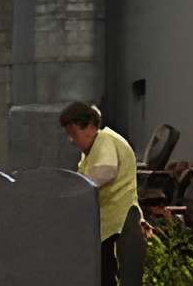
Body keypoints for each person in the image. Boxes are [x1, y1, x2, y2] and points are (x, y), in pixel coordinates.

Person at [59, 100, 140, 283]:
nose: (71, 139)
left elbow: (105, 172)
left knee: (112, 276)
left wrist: (74, 190)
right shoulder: (90, 151)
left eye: (73, 133)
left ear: (88, 127)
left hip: (119, 223)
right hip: (107, 225)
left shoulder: (105, 140)